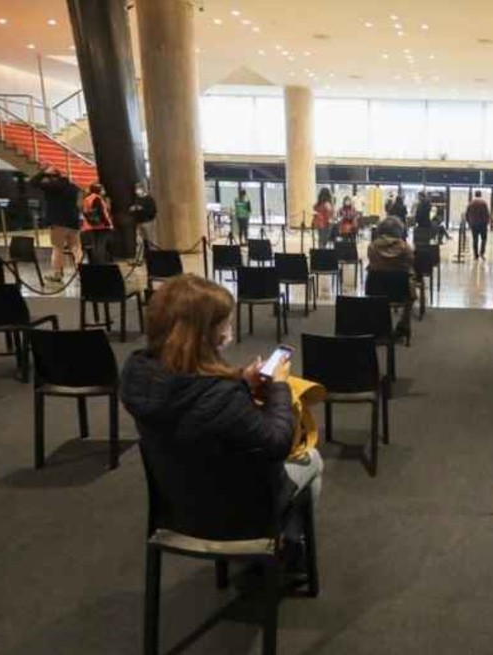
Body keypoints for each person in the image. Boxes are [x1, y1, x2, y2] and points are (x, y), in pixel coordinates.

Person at [119, 274, 323, 535]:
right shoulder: (222, 395)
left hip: (177, 502)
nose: (228, 330)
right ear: (204, 333)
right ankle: (288, 540)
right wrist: (280, 386)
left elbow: (194, 402)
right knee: (312, 459)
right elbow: (277, 443)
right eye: (224, 323)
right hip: (236, 511)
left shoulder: (137, 375)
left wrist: (242, 381)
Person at [366, 217, 415, 337]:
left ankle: (378, 323)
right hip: (400, 291)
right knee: (410, 287)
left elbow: (372, 262)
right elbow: (411, 261)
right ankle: (404, 324)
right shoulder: (405, 248)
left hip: (376, 289)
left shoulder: (372, 247)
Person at [32, 166, 82, 282]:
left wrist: (43, 173)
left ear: (53, 177)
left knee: (57, 248)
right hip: (73, 221)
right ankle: (82, 272)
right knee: (76, 248)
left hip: (58, 222)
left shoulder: (52, 186)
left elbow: (33, 182)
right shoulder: (73, 187)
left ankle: (57, 274)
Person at [80, 182, 114, 265]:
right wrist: (108, 224)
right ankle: (100, 263)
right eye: (102, 189)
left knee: (95, 246)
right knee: (100, 246)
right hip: (101, 226)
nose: (104, 191)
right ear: (98, 190)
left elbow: (85, 212)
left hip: (90, 226)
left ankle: (95, 262)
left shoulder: (87, 199)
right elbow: (101, 213)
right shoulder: (97, 199)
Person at [129, 183, 158, 250]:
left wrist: (142, 209)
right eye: (136, 189)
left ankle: (152, 252)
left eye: (138, 189)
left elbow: (153, 210)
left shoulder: (149, 199)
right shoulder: (136, 199)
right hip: (138, 222)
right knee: (141, 241)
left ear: (142, 189)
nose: (137, 191)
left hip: (147, 222)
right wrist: (133, 209)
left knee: (149, 239)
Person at [466, 190, 492, 260]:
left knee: (475, 239)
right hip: (482, 224)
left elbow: (467, 214)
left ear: (475, 195)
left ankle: (475, 255)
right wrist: (487, 222)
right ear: (481, 195)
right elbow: (487, 214)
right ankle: (482, 253)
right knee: (484, 239)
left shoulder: (471, 203)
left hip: (474, 224)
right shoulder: (483, 203)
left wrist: (469, 222)